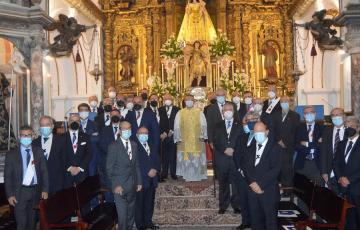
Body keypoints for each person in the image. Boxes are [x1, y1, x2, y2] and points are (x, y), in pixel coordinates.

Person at [5, 125, 49, 230]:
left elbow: (44, 172)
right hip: (19, 193)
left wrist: (45, 189)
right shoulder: (11, 154)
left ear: (33, 136)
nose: (26, 137)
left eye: (29, 135)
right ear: (20, 137)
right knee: (21, 224)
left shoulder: (38, 152)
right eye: (24, 135)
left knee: (32, 224)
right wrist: (10, 194)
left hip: (35, 192)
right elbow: (8, 176)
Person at [243, 121, 282, 230]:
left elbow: (276, 169)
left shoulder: (275, 148)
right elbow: (246, 167)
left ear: (267, 132)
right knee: (255, 222)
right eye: (255, 132)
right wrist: (252, 183)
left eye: (260, 131)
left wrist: (260, 184)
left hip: (268, 191)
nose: (258, 134)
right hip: (252, 191)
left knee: (270, 223)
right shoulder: (250, 147)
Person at [106, 121, 142, 230]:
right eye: (124, 129)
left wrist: (139, 182)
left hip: (132, 184)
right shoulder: (113, 146)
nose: (127, 131)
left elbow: (136, 165)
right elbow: (109, 168)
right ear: (120, 131)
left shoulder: (135, 145)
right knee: (122, 216)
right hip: (120, 186)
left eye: (129, 129)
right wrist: (116, 185)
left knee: (131, 214)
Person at [212, 103, 242, 214]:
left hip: (235, 159)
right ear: (222, 112)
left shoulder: (239, 125)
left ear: (233, 111)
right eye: (226, 110)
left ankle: (236, 205)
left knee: (236, 184)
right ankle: (223, 206)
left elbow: (242, 140)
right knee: (223, 183)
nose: (228, 111)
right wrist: (225, 149)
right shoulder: (217, 125)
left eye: (230, 109)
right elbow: (215, 140)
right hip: (222, 158)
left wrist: (234, 149)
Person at [334, 116, 360, 230]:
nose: (347, 126)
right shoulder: (341, 143)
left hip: (357, 187)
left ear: (358, 127)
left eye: (350, 124)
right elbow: (335, 163)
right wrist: (340, 177)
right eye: (346, 125)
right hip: (344, 189)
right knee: (347, 221)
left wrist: (350, 179)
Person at [174, 95, 207, 181]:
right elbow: (177, 126)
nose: (189, 101)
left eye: (191, 100)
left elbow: (203, 125)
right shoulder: (180, 113)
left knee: (197, 157)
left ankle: (199, 175)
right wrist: (178, 138)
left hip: (197, 140)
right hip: (184, 140)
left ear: (194, 101)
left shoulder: (199, 112)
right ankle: (186, 175)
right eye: (187, 100)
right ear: (184, 101)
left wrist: (203, 136)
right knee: (186, 158)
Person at [135, 127, 160, 230]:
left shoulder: (152, 144)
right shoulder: (134, 146)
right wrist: (147, 171)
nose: (144, 135)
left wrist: (155, 169)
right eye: (142, 133)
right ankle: (140, 225)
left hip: (152, 180)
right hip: (141, 180)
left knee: (149, 202)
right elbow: (135, 163)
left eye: (146, 133)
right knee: (139, 204)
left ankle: (148, 222)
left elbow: (157, 159)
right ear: (137, 135)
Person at [33, 116, 65, 196]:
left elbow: (65, 161)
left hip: (58, 184)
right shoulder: (34, 143)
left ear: (52, 126)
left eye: (47, 124)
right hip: (40, 186)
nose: (45, 127)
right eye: (42, 125)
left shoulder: (62, 141)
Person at [273, 96, 300, 190]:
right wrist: (278, 140)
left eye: (286, 101)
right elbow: (272, 129)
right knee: (276, 167)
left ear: (290, 103)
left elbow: (295, 132)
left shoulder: (295, 115)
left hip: (289, 146)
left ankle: (287, 189)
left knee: (287, 168)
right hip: (276, 145)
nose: (284, 103)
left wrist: (286, 143)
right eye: (282, 101)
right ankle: (275, 187)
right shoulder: (275, 115)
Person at [294, 106, 324, 185]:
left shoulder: (322, 128)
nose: (309, 115)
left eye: (311, 112)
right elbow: (296, 145)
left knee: (319, 190)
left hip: (317, 164)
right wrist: (315, 144)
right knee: (302, 191)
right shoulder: (298, 128)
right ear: (304, 115)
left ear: (315, 114)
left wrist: (306, 144)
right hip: (302, 163)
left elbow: (322, 146)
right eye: (306, 113)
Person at [98, 109, 123, 202]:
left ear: (120, 116)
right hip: (109, 164)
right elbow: (102, 145)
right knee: (110, 190)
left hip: (123, 166)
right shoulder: (104, 130)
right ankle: (110, 212)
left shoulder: (125, 129)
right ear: (110, 117)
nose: (115, 116)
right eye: (113, 115)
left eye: (117, 114)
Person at [320, 108, 346, 194]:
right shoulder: (327, 131)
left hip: (346, 173)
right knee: (334, 199)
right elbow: (323, 153)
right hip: (330, 172)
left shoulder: (349, 131)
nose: (336, 117)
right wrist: (324, 171)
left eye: (338, 114)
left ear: (344, 116)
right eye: (333, 115)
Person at [63, 114, 92, 188]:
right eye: (72, 121)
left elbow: (89, 153)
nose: (74, 122)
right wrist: (70, 168)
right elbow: (60, 155)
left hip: (82, 172)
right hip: (67, 173)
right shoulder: (61, 137)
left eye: (77, 121)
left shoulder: (86, 137)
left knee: (83, 197)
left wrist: (79, 168)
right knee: (67, 197)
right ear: (68, 123)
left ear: (80, 123)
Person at [159, 93, 180, 181]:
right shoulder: (159, 109)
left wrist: (172, 130)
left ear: (172, 99)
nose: (167, 100)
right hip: (163, 136)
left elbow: (179, 122)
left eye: (169, 98)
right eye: (166, 98)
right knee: (164, 156)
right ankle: (164, 173)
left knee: (173, 156)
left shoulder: (177, 109)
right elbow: (158, 122)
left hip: (173, 136)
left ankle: (173, 173)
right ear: (163, 100)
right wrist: (162, 132)